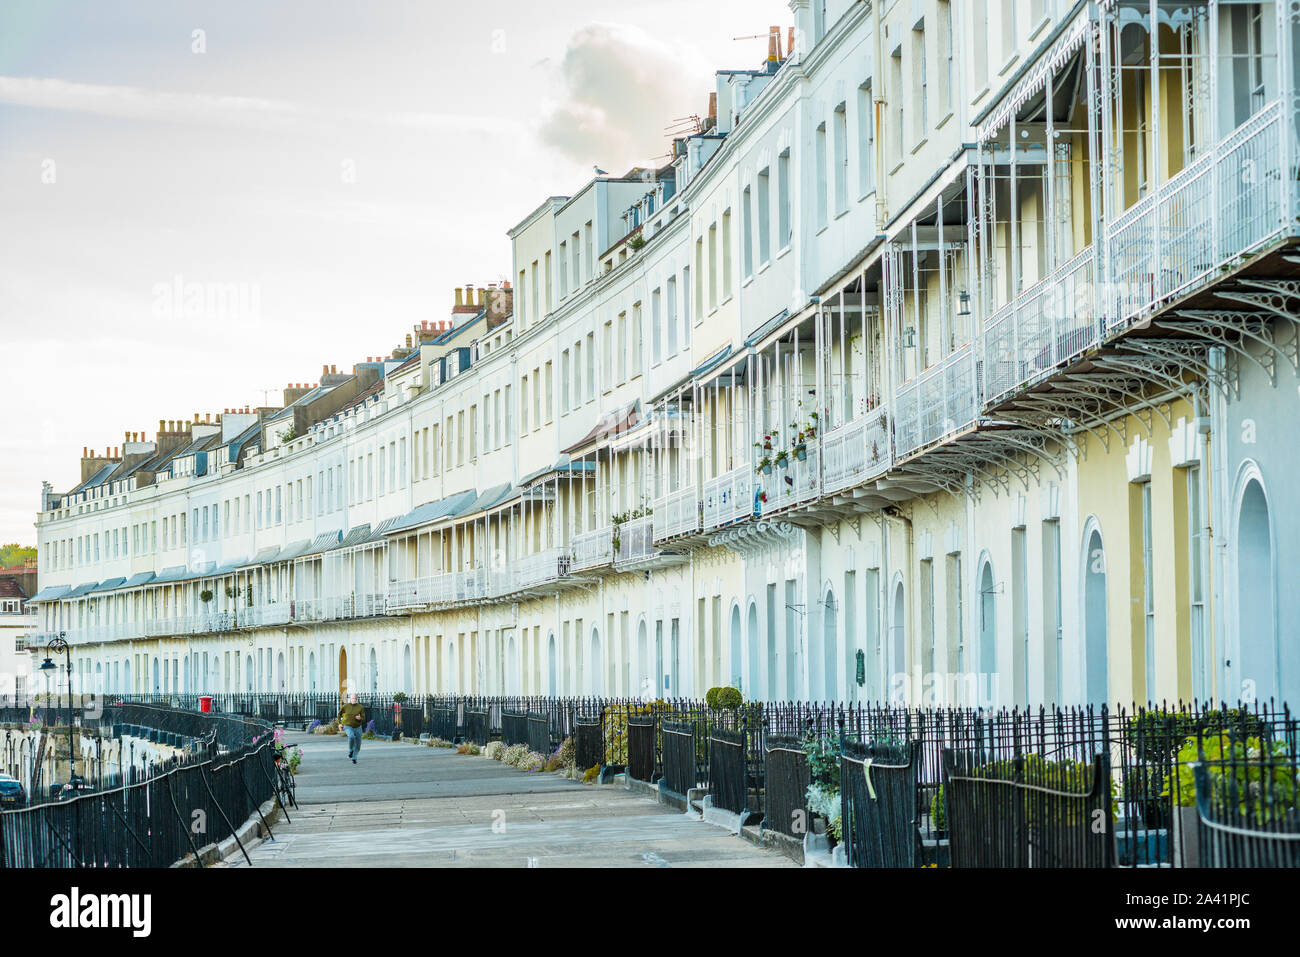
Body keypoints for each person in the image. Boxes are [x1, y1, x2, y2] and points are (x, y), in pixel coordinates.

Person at [337, 693, 366, 763]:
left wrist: (360, 718)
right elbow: (339, 714)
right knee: (351, 736)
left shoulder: (360, 707)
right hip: (348, 726)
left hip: (358, 727)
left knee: (358, 744)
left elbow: (364, 718)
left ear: (357, 699)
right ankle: (351, 750)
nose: (354, 700)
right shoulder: (346, 706)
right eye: (353, 698)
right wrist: (340, 723)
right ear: (350, 699)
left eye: (355, 698)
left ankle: (354, 757)